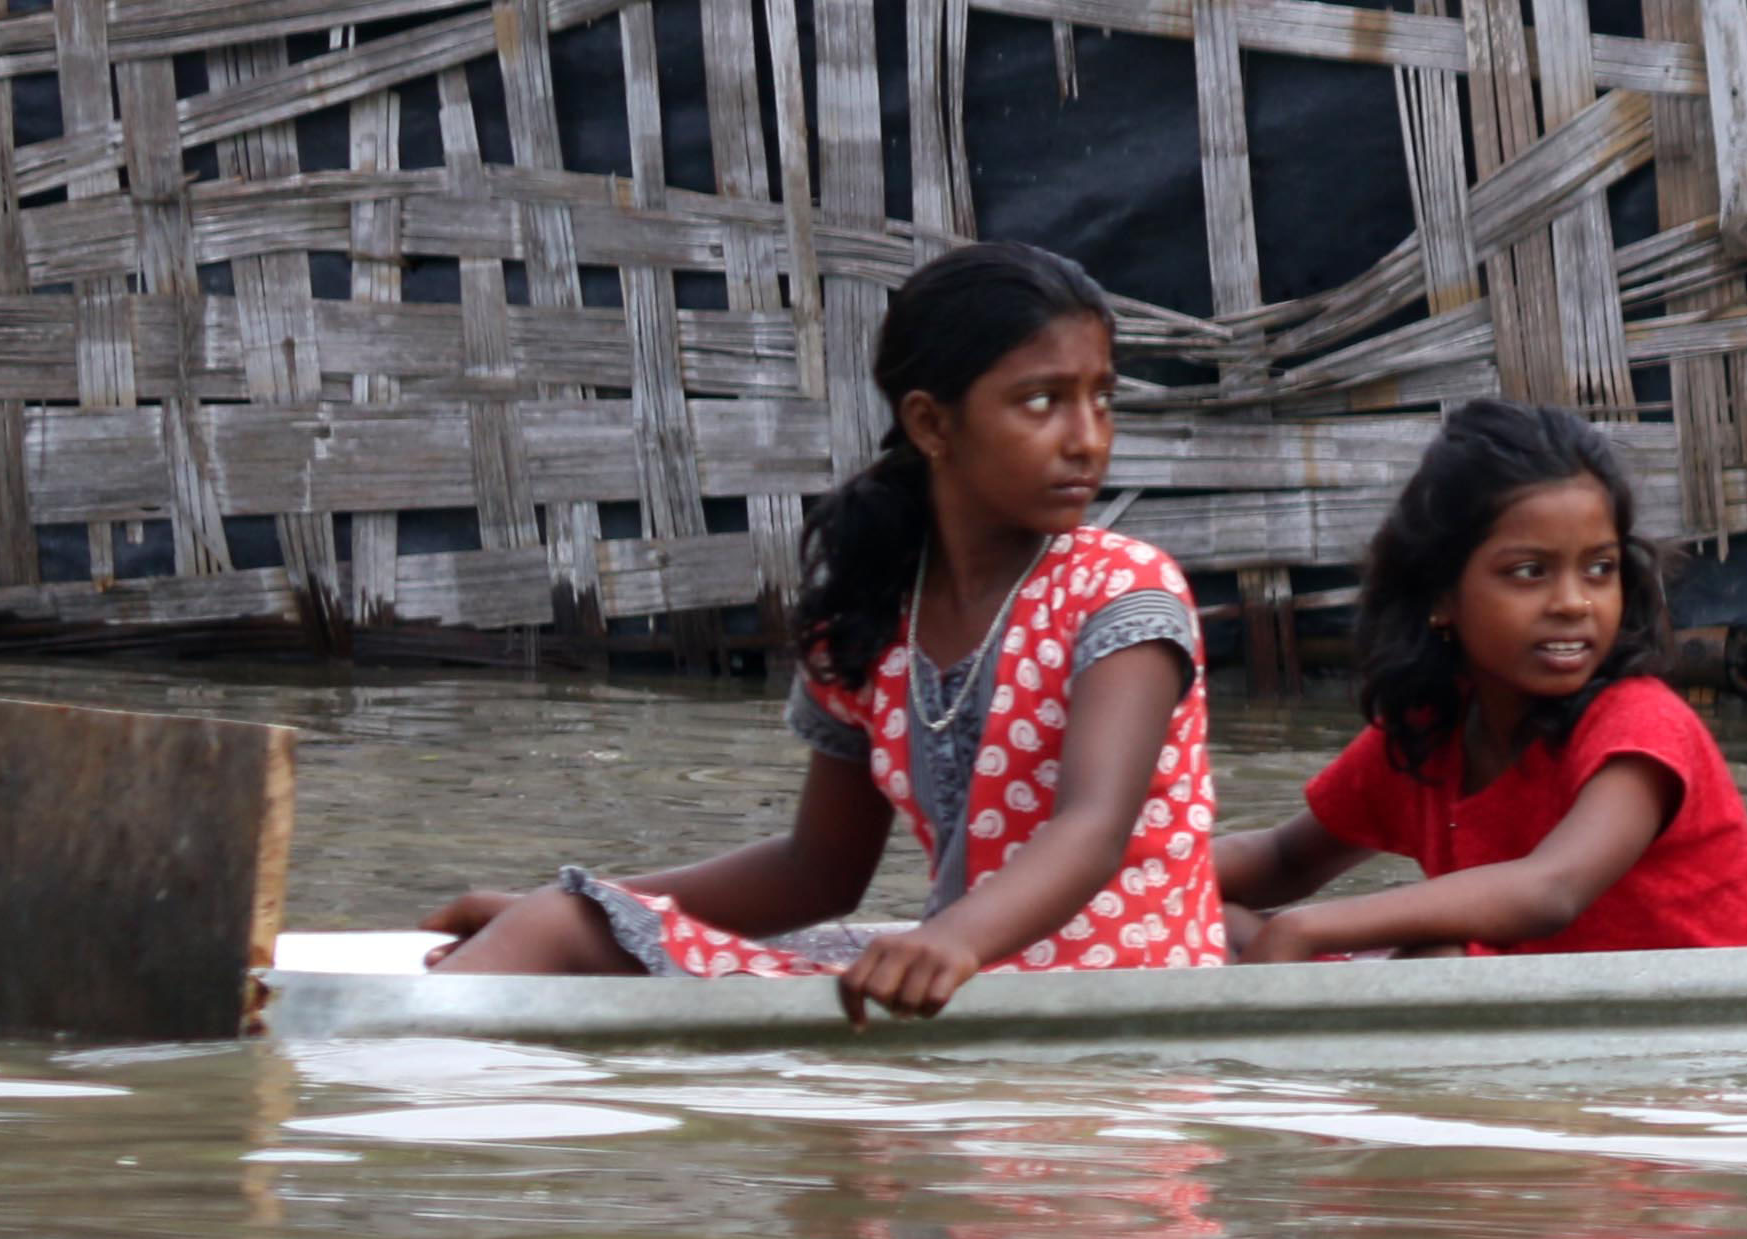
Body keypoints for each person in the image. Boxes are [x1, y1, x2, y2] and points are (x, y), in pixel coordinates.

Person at [422, 240, 1225, 1013]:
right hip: (959, 982)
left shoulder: (1121, 589)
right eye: (1042, 401)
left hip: (1115, 983)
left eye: (1103, 398)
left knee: (552, 930)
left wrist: (953, 938)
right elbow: (816, 873)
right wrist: (598, 907)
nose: (1087, 438)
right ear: (931, 425)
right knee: (556, 923)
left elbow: (1093, 826)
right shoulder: (869, 617)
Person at [1213, 400, 1747, 960]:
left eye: (1599, 569)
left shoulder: (1640, 724)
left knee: (1438, 955)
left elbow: (1552, 889)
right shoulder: (1432, 728)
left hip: (1670, 1033)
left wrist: (1306, 929)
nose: (1574, 603)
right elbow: (1285, 859)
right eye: (1529, 573)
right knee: (1216, 923)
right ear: (1440, 596)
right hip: (1533, 1022)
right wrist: (1143, 875)